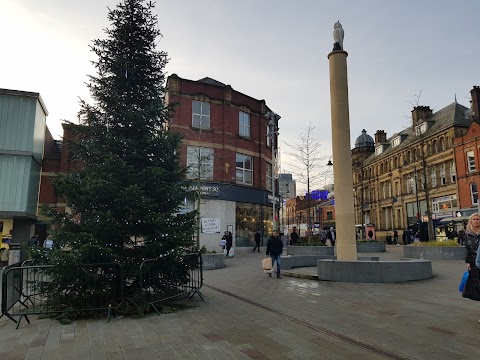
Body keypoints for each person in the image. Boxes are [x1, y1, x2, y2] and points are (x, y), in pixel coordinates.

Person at [464, 213, 480, 311]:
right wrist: (468, 262)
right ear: (471, 221)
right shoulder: (467, 234)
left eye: (477, 219)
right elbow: (466, 248)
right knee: (477, 286)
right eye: (473, 219)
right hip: (474, 263)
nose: (476, 221)